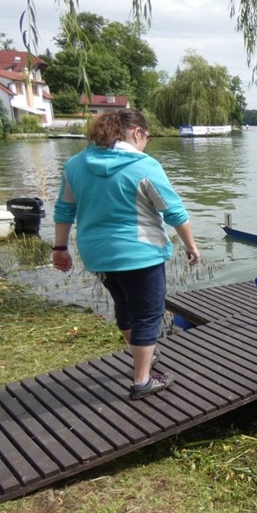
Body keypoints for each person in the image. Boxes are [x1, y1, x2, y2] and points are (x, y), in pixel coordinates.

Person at [51, 109, 200, 400]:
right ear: (136, 133)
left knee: (124, 305)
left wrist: (59, 247)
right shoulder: (143, 165)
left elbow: (64, 210)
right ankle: (142, 380)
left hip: (97, 254)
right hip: (140, 253)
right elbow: (174, 211)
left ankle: (144, 355)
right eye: (147, 138)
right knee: (148, 314)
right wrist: (191, 245)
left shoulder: (74, 165)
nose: (146, 144)